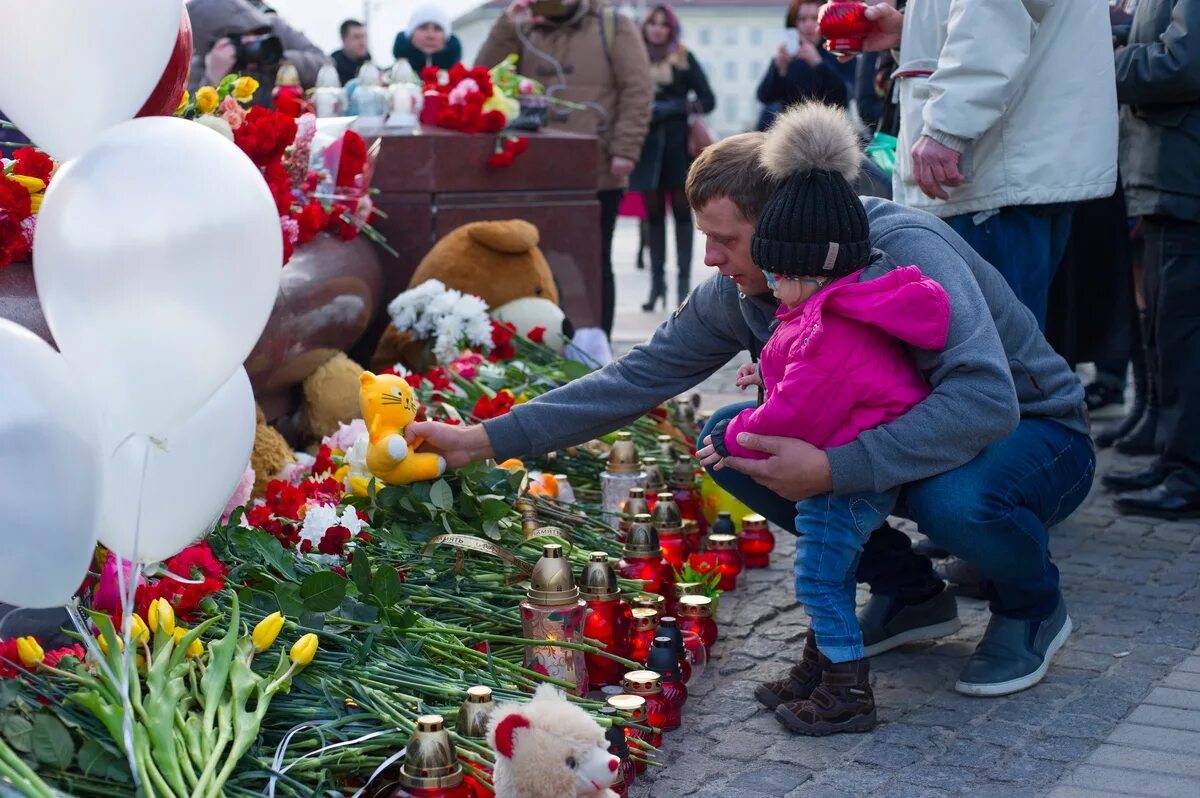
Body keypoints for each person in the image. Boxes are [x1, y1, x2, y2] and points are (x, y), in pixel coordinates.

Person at [408, 103, 1094, 700]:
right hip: (907, 443)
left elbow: (984, 401)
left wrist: (835, 469)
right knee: (731, 440)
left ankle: (1032, 607)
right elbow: (636, 377)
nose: (710, 259)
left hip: (1034, 437)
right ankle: (911, 596)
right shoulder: (742, 289)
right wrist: (483, 439)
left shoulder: (901, 249)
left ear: (780, 228)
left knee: (957, 503)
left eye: (725, 239)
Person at [695, 105, 951, 734]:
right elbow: (796, 378)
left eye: (780, 275)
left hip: (851, 469)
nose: (772, 288)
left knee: (818, 574)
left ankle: (846, 690)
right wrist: (767, 376)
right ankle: (822, 665)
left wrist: (733, 436)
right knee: (823, 571)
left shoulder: (832, 329)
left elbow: (802, 405)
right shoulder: (817, 311)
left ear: (812, 272)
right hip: (841, 453)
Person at [858, 1, 1118, 329]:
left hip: (994, 173)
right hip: (1008, 167)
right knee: (1009, 346)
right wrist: (908, 31)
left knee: (994, 348)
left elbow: (991, 16)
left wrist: (945, 128)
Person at [476, 0, 653, 340]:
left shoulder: (613, 25)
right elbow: (485, 78)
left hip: (598, 167)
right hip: (535, 167)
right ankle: (541, 342)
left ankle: (595, 345)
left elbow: (638, 89)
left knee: (593, 261)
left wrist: (625, 149)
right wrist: (506, 26)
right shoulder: (524, 27)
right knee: (534, 259)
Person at [1103, 0, 1200, 520]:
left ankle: (1190, 473)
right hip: (1168, 178)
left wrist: (1106, 61)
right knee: (1168, 331)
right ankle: (1175, 458)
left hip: (1186, 177)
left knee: (1185, 337)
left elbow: (1184, 62)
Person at [628, 4, 715, 310]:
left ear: (670, 29)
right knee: (652, 219)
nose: (657, 29)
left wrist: (674, 107)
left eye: (663, 25)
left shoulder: (683, 57)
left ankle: (681, 287)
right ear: (645, 27)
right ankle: (656, 286)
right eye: (653, 23)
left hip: (679, 150)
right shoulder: (635, 58)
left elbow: (708, 99)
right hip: (647, 150)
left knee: (681, 216)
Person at [187, 0, 329, 105]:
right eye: (236, 38)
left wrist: (279, 60)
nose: (248, 40)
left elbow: (326, 66)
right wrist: (212, 78)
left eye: (253, 32)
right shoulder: (203, 62)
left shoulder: (275, 28)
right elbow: (191, 120)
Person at [755, 0, 855, 131]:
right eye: (802, 19)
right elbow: (763, 96)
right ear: (794, 24)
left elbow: (844, 96)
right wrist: (779, 70)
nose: (808, 25)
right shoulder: (787, 55)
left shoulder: (841, 53)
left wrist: (818, 64)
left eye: (815, 18)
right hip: (790, 132)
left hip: (829, 132)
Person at [393, 4, 463, 75]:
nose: (430, 35)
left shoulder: (463, 82)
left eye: (437, 29)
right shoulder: (387, 79)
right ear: (411, 34)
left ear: (445, 37)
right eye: (423, 27)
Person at [331, 18, 371, 86]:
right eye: (356, 37)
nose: (362, 42)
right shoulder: (333, 66)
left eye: (364, 36)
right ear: (343, 39)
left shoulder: (368, 63)